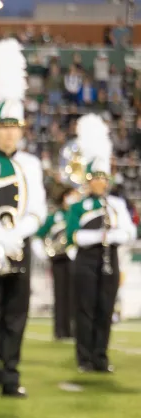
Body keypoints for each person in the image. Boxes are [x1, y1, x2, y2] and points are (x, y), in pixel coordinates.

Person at [0, 39, 47, 399]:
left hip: (21, 245)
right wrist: (0, 236)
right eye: (3, 126)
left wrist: (20, 232)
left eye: (15, 126)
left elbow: (39, 209)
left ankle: (11, 378)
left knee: (16, 316)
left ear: (23, 127)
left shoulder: (31, 164)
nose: (9, 132)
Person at [66, 114, 135, 374]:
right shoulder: (79, 205)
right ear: (89, 179)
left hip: (110, 259)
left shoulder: (116, 204)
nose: (100, 182)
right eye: (96, 177)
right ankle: (84, 357)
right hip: (86, 260)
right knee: (85, 308)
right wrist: (101, 236)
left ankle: (100, 356)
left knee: (105, 307)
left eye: (104, 178)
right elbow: (75, 236)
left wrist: (113, 236)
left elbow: (128, 231)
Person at [33, 184, 79, 340]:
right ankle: (60, 330)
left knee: (74, 295)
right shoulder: (55, 216)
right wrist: (43, 253)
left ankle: (73, 330)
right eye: (70, 196)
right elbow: (39, 235)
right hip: (59, 259)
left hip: (75, 258)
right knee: (60, 295)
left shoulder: (77, 214)